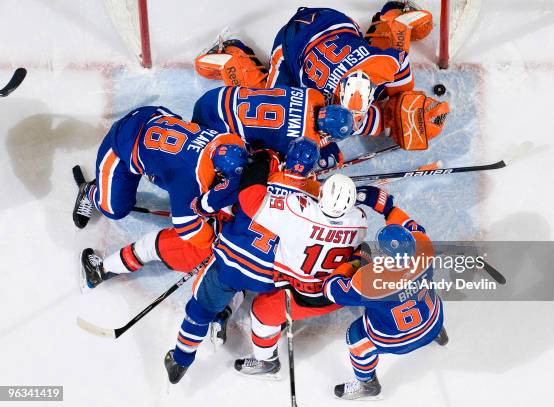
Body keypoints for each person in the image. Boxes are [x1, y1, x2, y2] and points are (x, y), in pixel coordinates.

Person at [163, 154, 367, 385]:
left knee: (201, 309)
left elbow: (229, 206)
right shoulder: (359, 221)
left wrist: (258, 164)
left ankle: (181, 359)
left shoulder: (292, 206)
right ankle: (236, 327)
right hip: (269, 278)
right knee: (260, 303)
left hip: (230, 263)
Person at [195, 4, 449, 151]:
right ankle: (233, 58)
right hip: (291, 45)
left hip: (332, 21)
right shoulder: (340, 112)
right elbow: (354, 123)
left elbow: (399, 59)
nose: (392, 132)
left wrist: (398, 95)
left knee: (382, 54)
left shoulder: (387, 68)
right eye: (397, 127)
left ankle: (395, 18)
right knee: (274, 109)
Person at [72, 106, 247, 290]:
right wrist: (213, 240)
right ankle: (90, 191)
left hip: (156, 118)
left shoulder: (225, 142)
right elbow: (185, 226)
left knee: (175, 177)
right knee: (115, 209)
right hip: (120, 146)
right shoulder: (190, 178)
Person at [322, 186, 448, 400]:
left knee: (355, 339)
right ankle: (438, 334)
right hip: (433, 320)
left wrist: (354, 261)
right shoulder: (424, 247)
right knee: (425, 302)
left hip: (394, 340)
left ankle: (367, 384)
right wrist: (388, 209)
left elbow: (331, 289)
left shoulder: (370, 280)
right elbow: (410, 226)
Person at [192, 85, 354, 169]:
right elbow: (290, 164)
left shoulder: (313, 94)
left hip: (214, 97)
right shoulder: (305, 138)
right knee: (247, 164)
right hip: (215, 130)